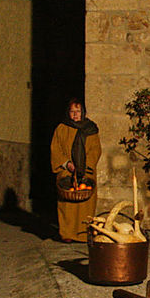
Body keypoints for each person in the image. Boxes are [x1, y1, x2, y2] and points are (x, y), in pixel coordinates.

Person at [51, 98, 101, 242]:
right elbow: (56, 149)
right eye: (72, 111)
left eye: (78, 111)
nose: (75, 115)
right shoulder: (62, 128)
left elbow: (95, 149)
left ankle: (83, 234)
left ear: (83, 112)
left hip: (86, 171)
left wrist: (86, 166)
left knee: (85, 205)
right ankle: (67, 234)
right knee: (67, 205)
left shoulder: (91, 129)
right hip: (67, 171)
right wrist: (67, 164)